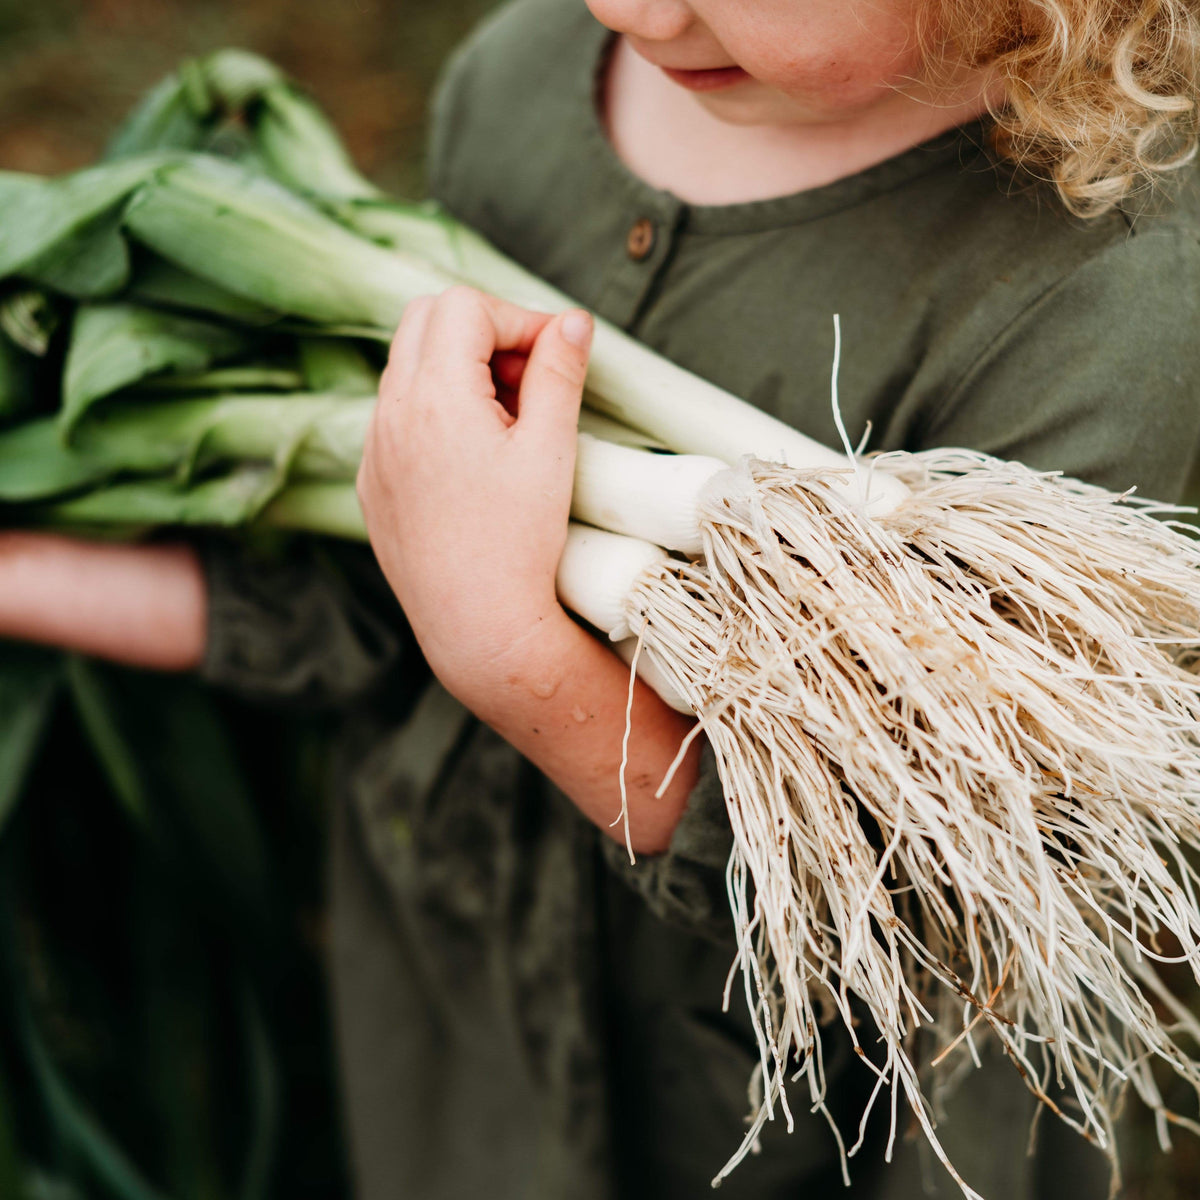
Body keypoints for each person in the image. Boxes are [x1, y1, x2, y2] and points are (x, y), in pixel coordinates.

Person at [4, 0, 1200, 1196]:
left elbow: (934, 900)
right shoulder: (523, 80)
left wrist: (515, 654)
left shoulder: (1122, 301)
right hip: (452, 1015)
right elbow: (381, 593)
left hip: (788, 1118)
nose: (631, 9)